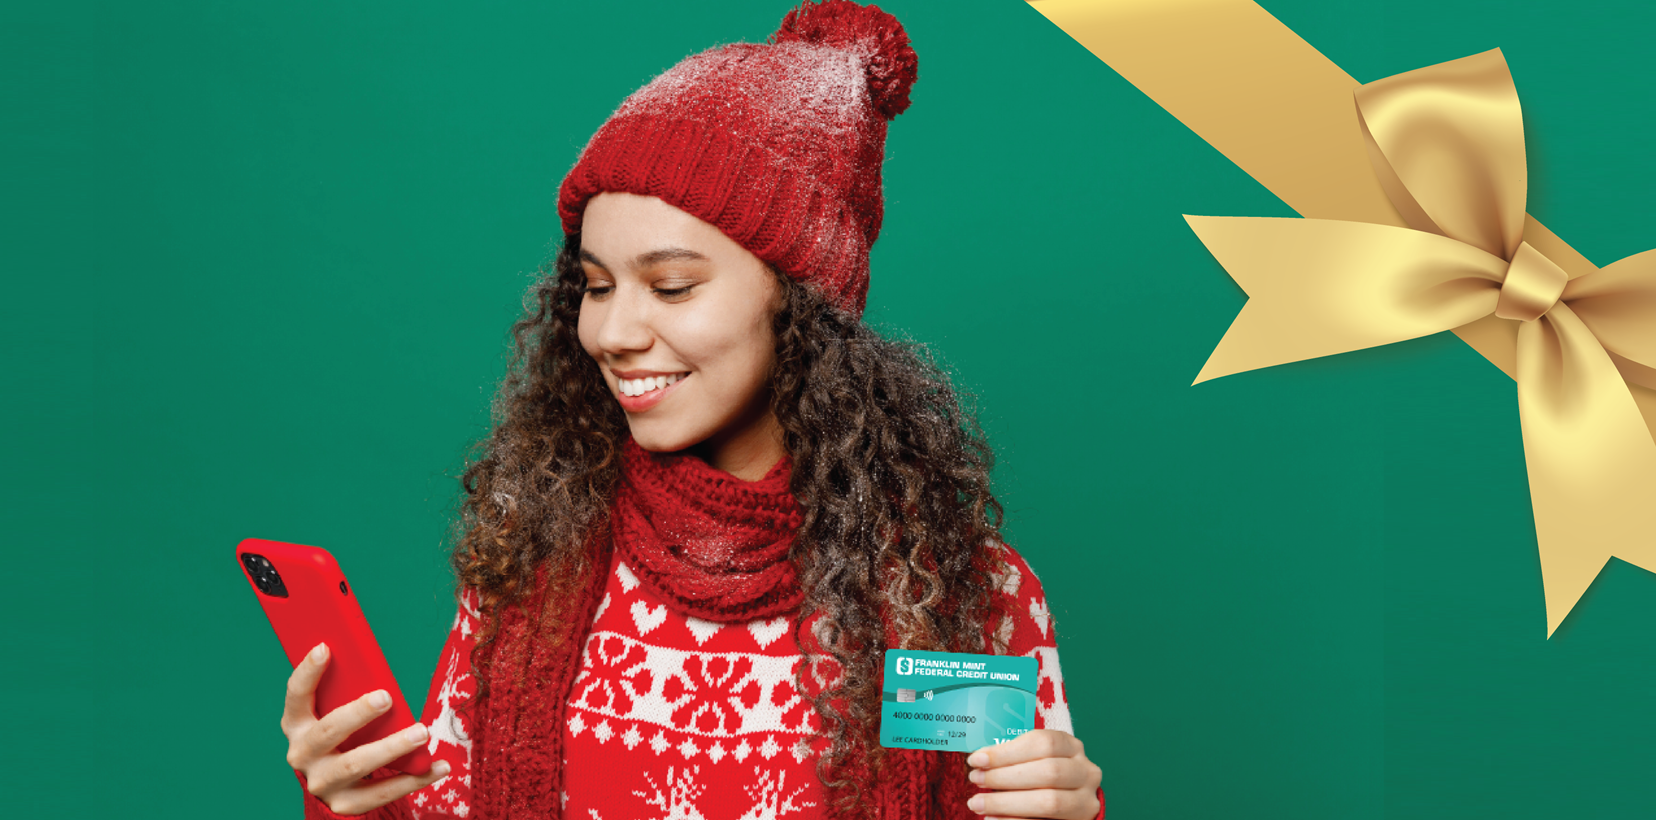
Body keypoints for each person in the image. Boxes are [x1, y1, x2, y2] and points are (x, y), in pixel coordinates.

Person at [280, 2, 1104, 818]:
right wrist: (355, 803)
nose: (612, 331)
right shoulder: (537, 555)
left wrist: (1062, 815)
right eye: (596, 286)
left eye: (671, 286)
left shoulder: (944, 595)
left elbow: (993, 806)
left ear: (801, 302)